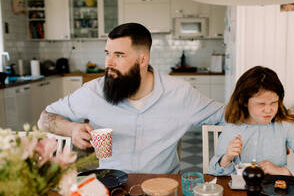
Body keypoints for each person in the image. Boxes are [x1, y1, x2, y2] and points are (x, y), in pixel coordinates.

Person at [38, 23, 224, 174]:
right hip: (109, 184)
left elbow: (225, 114)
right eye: (107, 54)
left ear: (142, 60)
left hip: (163, 186)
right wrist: (72, 129)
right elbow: (45, 119)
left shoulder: (180, 93)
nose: (108, 63)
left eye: (119, 55)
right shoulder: (93, 92)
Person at [208, 66, 294, 178]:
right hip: (241, 193)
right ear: (244, 101)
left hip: (276, 194)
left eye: (274, 102)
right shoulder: (232, 128)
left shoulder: (286, 127)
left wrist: (281, 170)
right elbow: (213, 172)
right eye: (261, 104)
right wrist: (227, 158)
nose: (268, 110)